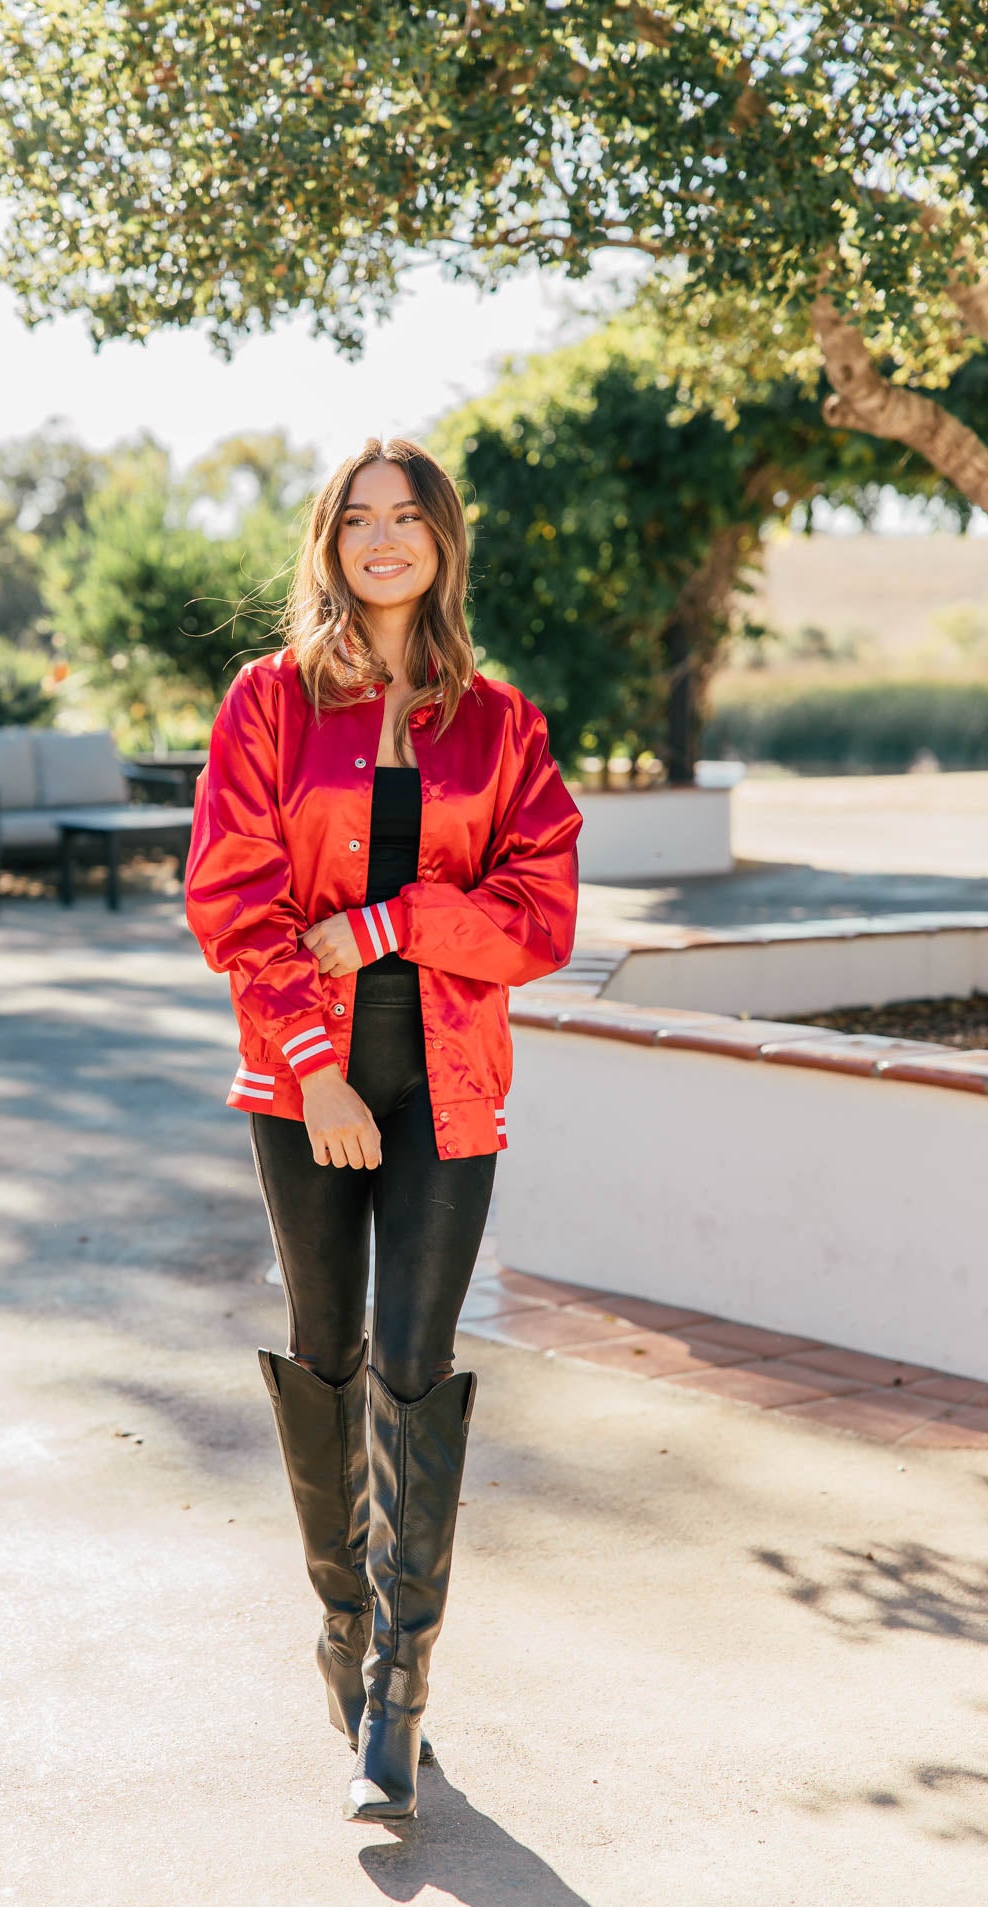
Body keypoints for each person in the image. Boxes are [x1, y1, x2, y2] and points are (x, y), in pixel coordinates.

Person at [183, 436, 583, 1823]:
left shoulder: (506, 722)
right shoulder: (271, 703)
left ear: (444, 541)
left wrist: (398, 923)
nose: (385, 538)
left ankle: (400, 1687)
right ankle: (345, 1627)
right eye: (360, 518)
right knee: (327, 1351)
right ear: (331, 542)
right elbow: (231, 900)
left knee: (415, 1367)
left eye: (408, 515)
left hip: (451, 1085)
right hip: (309, 1087)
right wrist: (315, 1065)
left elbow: (541, 920)